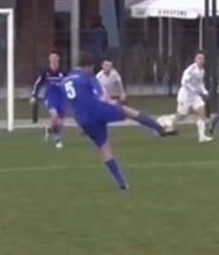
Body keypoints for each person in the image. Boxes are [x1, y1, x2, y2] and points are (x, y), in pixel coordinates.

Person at [61, 58, 176, 190]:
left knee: (104, 148)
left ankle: (122, 183)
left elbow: (71, 106)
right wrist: (113, 103)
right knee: (128, 111)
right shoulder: (87, 76)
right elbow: (102, 96)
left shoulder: (65, 81)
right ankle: (159, 129)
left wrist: (80, 125)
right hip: (97, 110)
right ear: (89, 66)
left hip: (83, 119)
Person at [170, 52, 212, 143]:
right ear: (195, 60)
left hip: (194, 97)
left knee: (202, 111)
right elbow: (184, 82)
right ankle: (170, 125)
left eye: (202, 58)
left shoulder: (202, 71)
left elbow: (200, 83)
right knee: (182, 114)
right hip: (185, 96)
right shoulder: (190, 70)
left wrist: (204, 91)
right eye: (199, 58)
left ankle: (202, 136)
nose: (201, 60)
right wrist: (193, 89)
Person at [30, 51, 68, 148]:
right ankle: (57, 139)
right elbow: (37, 84)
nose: (54, 60)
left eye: (56, 57)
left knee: (60, 123)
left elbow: (69, 84)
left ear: (58, 59)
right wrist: (34, 95)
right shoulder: (45, 72)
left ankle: (50, 129)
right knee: (54, 116)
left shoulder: (63, 72)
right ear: (49, 59)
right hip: (51, 97)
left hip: (62, 99)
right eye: (52, 58)